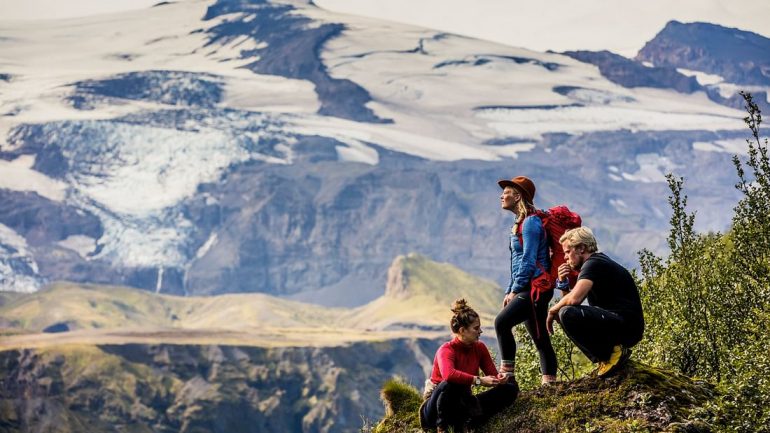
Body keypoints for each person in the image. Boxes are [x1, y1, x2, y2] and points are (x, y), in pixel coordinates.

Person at [545, 227, 645, 377]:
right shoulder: (595, 263)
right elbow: (572, 302)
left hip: (626, 325)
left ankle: (611, 355)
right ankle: (606, 358)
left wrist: (552, 310)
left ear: (581, 248)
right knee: (565, 312)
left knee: (565, 312)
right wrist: (563, 283)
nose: (565, 257)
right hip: (624, 325)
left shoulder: (593, 263)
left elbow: (573, 300)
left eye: (567, 251)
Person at [494, 176, 558, 385]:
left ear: (518, 196)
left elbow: (529, 261)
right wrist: (509, 289)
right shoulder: (521, 222)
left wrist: (515, 290)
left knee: (501, 323)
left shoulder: (530, 223)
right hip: (531, 286)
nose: (502, 196)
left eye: (507, 192)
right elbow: (517, 262)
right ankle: (550, 383)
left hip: (535, 287)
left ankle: (508, 378)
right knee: (539, 336)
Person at [420, 299, 519, 433]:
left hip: (462, 403)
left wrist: (499, 379)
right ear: (462, 330)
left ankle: (465, 421)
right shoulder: (446, 350)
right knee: (449, 384)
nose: (480, 332)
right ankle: (442, 427)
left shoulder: (480, 348)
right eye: (476, 328)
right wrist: (479, 380)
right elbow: (449, 375)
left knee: (510, 388)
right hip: (435, 411)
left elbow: (492, 373)